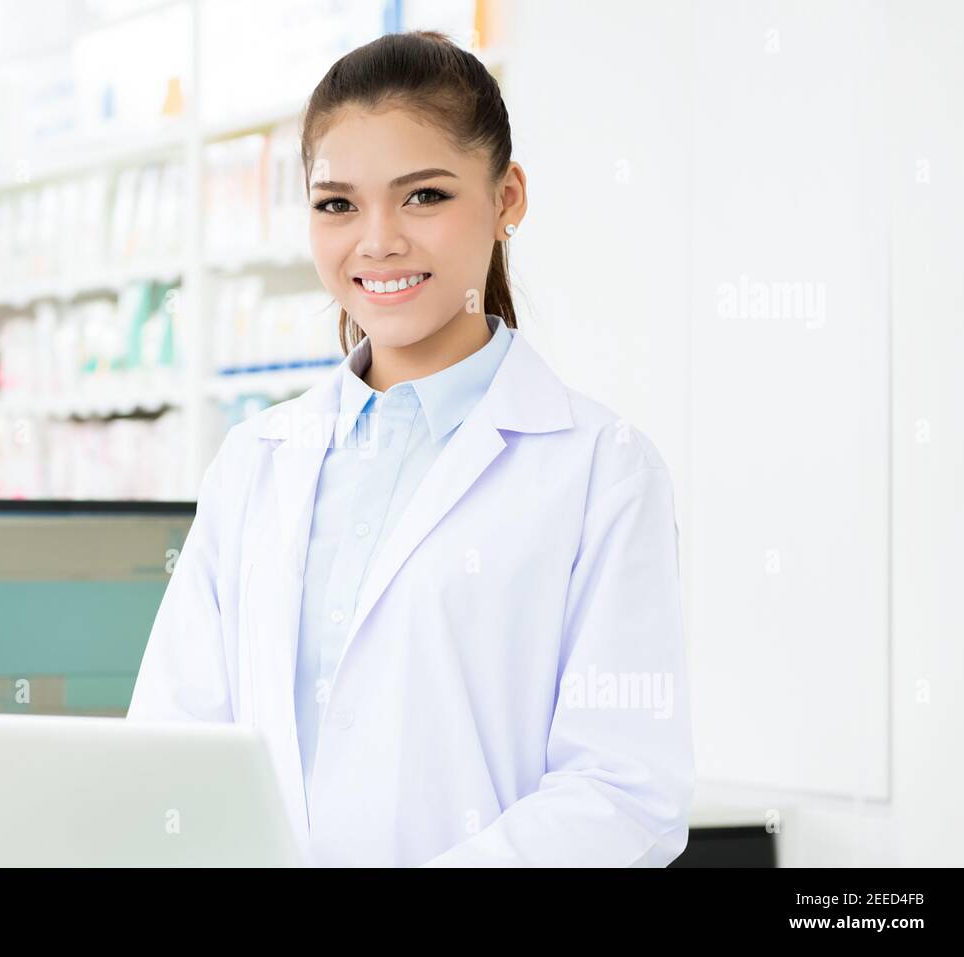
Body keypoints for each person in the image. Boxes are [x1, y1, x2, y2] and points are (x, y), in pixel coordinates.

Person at [129, 31, 693, 866]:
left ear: (508, 198)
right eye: (337, 203)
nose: (378, 239)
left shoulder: (602, 469)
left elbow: (624, 789)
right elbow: (170, 752)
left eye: (424, 195)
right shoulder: (256, 461)